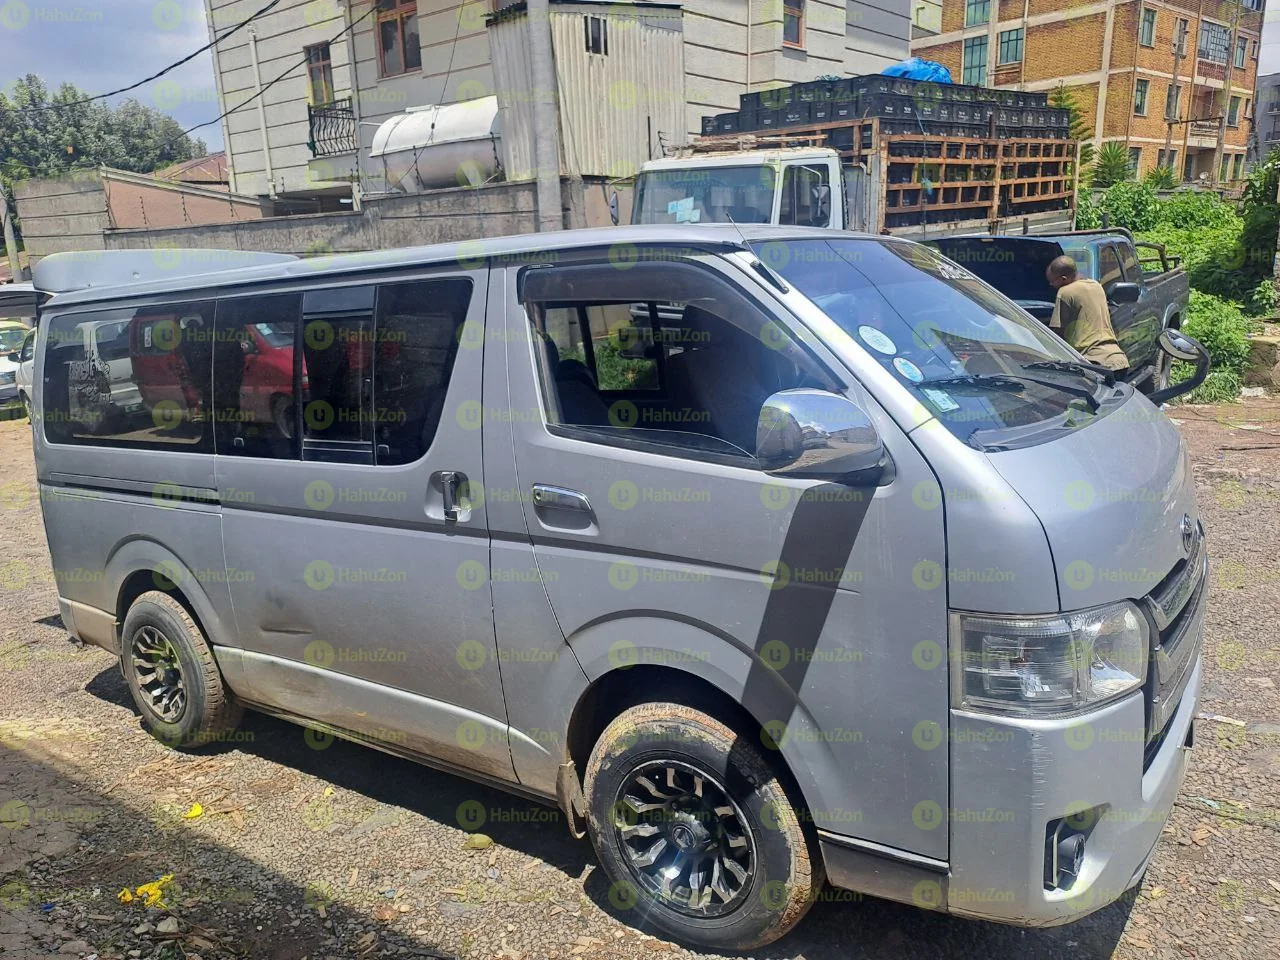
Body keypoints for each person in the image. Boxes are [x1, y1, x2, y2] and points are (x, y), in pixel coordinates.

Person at [1045, 255, 1129, 375]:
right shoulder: (1096, 286)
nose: (1051, 285)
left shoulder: (1065, 292)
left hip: (1094, 363)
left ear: (1064, 279)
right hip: (1117, 360)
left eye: (1052, 281)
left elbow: (1056, 334)